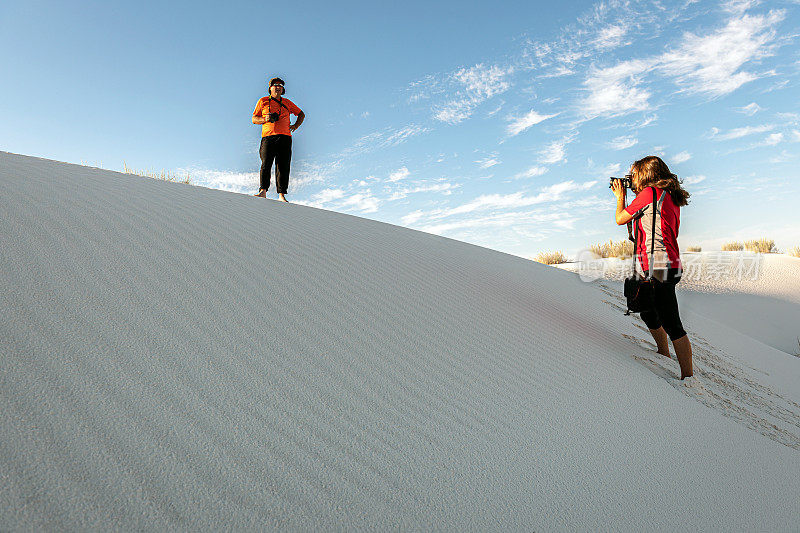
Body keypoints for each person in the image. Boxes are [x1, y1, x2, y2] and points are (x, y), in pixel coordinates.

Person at [611, 155, 695, 381]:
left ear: (646, 174)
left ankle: (688, 377)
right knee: (648, 310)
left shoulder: (649, 194)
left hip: (659, 265)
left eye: (634, 174)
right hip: (663, 264)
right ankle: (663, 353)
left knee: (671, 322)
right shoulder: (667, 196)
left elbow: (620, 218)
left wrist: (620, 197)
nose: (631, 178)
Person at [252, 77, 305, 202]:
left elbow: (301, 114)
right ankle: (263, 191)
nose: (278, 87)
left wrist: (295, 126)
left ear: (283, 89)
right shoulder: (263, 101)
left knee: (283, 166)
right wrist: (265, 119)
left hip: (285, 137)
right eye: (275, 85)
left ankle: (281, 195)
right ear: (270, 88)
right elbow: (254, 119)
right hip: (268, 137)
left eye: (280, 85)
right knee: (266, 164)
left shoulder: (287, 102)